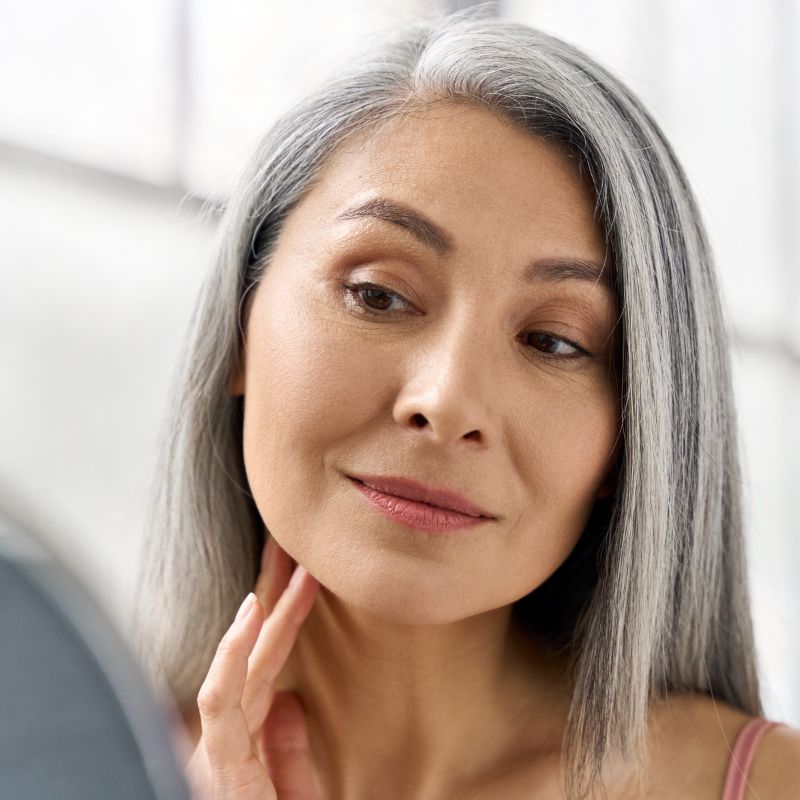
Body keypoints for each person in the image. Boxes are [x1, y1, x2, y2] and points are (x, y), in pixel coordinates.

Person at [130, 9, 800, 800]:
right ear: (240, 325)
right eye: (377, 295)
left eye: (554, 342)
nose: (445, 402)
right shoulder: (66, 761)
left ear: (632, 441)